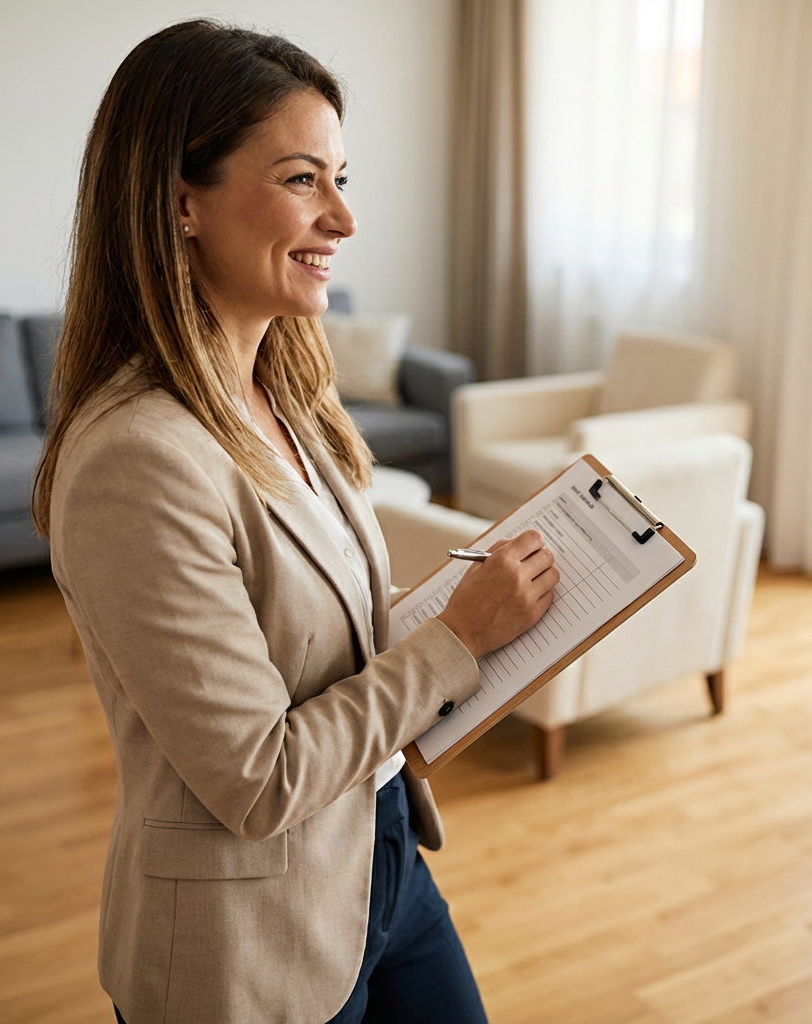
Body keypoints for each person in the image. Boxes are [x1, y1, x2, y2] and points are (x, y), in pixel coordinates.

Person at [32, 19, 558, 1024]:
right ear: (182, 203)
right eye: (301, 179)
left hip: (382, 858)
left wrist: (488, 613)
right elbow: (258, 778)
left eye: (342, 180)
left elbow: (322, 635)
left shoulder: (290, 394)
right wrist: (458, 639)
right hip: (250, 938)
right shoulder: (136, 459)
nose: (343, 222)